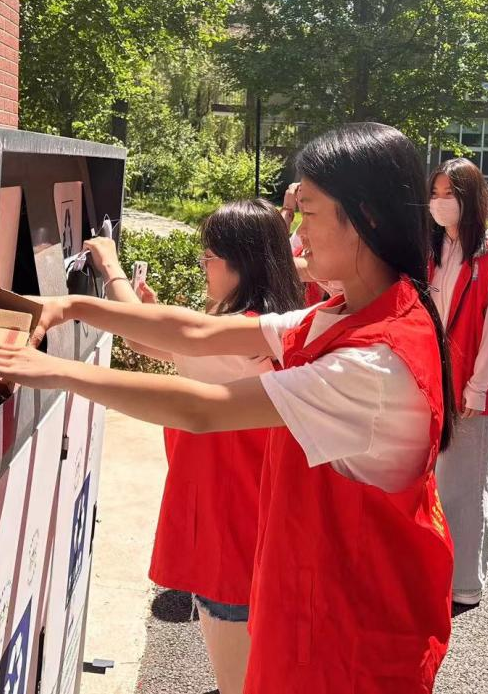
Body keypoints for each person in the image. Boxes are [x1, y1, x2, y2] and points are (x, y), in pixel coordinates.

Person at [0, 122, 458, 693]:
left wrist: (55, 370)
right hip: (320, 608)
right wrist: (72, 307)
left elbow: (205, 408)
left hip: (350, 641)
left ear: (367, 217)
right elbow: (198, 332)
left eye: (309, 213)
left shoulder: (373, 364)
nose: (298, 236)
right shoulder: (347, 313)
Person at [82, 200, 303, 694]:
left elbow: (140, 332)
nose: (203, 266)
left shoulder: (245, 341)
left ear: (240, 262)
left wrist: (111, 265)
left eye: (208, 257)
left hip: (234, 534)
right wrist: (154, 314)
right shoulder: (263, 327)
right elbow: (150, 340)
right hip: (246, 524)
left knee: (240, 679)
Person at [427, 157, 488, 611]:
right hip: (431, 381)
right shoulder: (432, 248)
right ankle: (436, 573)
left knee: (466, 484)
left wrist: (477, 388)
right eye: (435, 194)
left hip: (470, 388)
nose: (440, 202)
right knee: (435, 483)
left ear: (471, 199)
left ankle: (464, 583)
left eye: (450, 194)